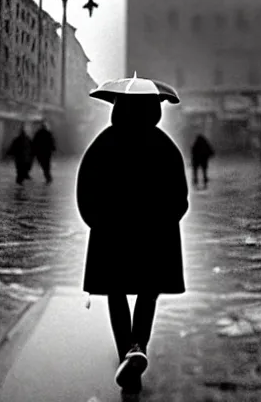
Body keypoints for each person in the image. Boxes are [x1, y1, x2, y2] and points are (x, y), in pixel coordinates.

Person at [76, 94, 188, 393]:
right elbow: (180, 197)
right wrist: (164, 221)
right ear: (153, 110)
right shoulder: (164, 145)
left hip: (111, 234)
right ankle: (138, 346)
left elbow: (85, 188)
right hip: (155, 236)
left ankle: (126, 350)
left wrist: (97, 222)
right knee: (148, 293)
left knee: (116, 292)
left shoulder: (104, 143)